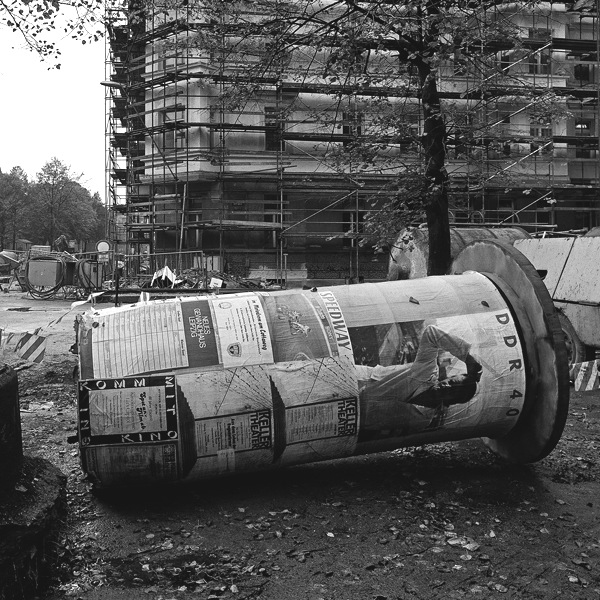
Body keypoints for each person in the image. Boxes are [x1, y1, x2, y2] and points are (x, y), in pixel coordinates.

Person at [356, 324, 482, 438]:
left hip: (352, 416)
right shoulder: (426, 370)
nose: (447, 386)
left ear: (452, 402)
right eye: (452, 382)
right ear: (449, 378)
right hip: (359, 380)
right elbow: (431, 332)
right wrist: (467, 357)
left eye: (453, 392)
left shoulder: (422, 420)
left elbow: (387, 432)